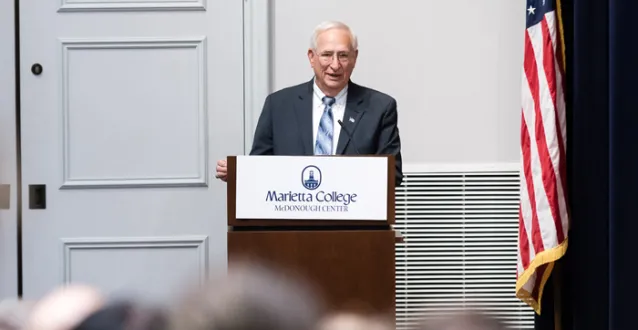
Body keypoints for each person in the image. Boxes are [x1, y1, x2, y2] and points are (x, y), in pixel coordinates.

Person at [216, 20, 403, 186]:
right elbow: (261, 164)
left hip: (352, 221)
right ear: (311, 57)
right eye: (327, 54)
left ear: (354, 58)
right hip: (291, 218)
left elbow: (393, 175)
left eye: (343, 56)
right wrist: (239, 173)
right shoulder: (279, 105)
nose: (335, 65)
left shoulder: (380, 107)